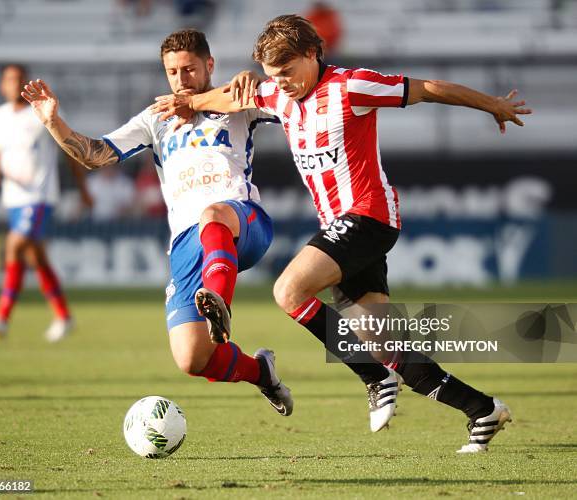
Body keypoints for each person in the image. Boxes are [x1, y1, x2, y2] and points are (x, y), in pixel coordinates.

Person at [150, 14, 532, 452]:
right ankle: (482, 409)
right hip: (339, 227)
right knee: (386, 345)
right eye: (275, 76)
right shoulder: (277, 93)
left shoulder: (353, 86)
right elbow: (230, 97)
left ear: (313, 54)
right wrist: (191, 103)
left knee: (289, 291)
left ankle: (371, 376)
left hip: (370, 216)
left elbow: (427, 88)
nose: (283, 84)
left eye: (289, 72)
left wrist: (493, 105)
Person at [21, 29, 293, 416]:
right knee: (192, 358)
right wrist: (53, 122)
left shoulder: (234, 101)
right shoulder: (156, 118)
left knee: (212, 214)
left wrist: (254, 80)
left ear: (209, 65)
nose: (181, 79)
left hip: (241, 220)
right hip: (187, 242)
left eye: (189, 69)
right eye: (172, 72)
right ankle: (262, 373)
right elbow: (95, 155)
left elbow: (288, 96)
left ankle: (219, 301)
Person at [0, 64, 93, 343]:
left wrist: (82, 189)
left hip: (39, 196)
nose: (12, 84)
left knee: (14, 244)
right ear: (2, 86)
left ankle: (2, 318)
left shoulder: (41, 111)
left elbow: (69, 149)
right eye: (8, 79)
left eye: (18, 79)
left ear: (25, 83)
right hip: (13, 198)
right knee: (35, 257)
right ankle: (64, 316)